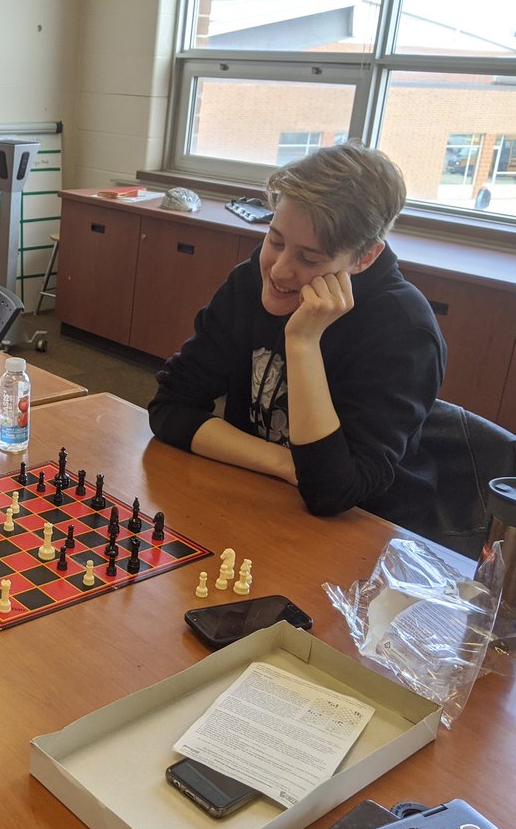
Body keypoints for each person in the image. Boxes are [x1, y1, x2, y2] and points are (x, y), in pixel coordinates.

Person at [148, 142, 447, 539]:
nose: (280, 271)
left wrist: (303, 343)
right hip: (262, 500)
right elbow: (170, 408)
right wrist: (287, 463)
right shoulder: (250, 281)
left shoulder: (404, 330)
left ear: (364, 258)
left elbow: (331, 491)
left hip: (365, 536)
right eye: (275, 240)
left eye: (310, 258)